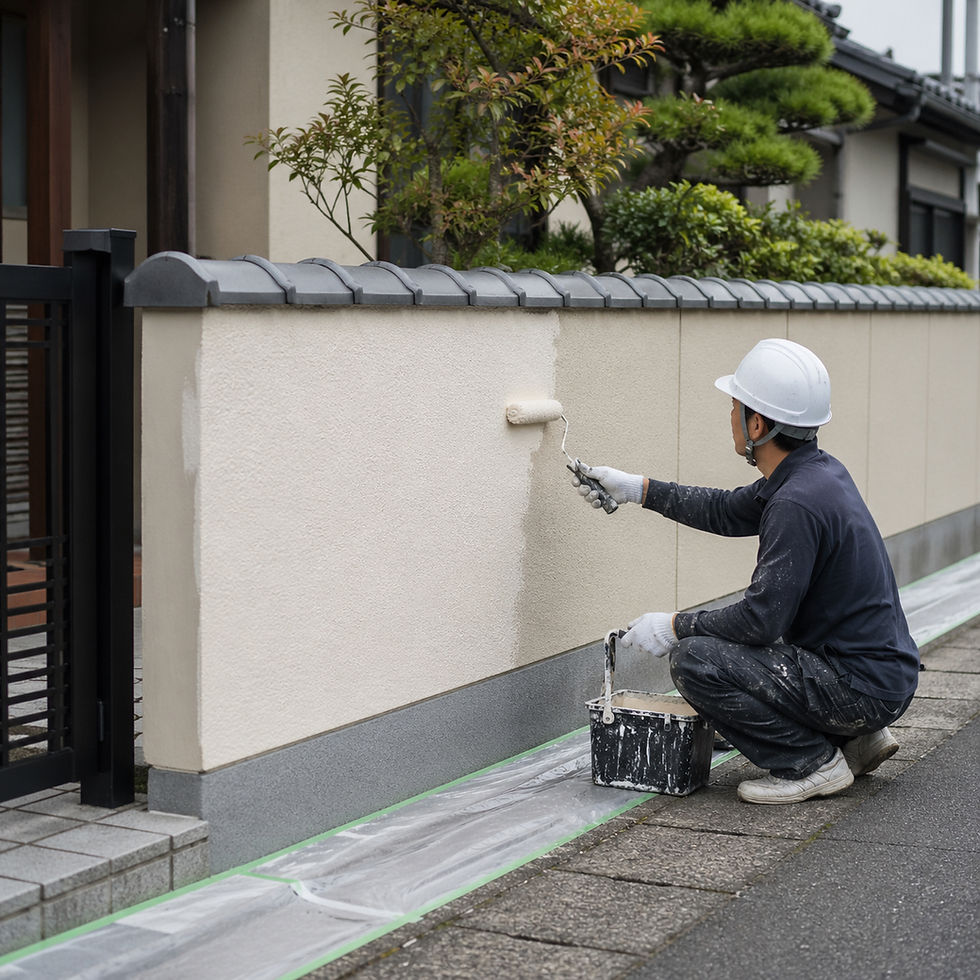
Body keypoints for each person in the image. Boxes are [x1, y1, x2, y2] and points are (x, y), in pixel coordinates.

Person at [572, 338, 919, 805]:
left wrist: (674, 626)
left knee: (696, 661)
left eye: (734, 406)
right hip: (878, 675)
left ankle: (812, 763)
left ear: (756, 423)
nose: (729, 416)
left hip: (860, 688)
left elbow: (761, 619)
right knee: (745, 647)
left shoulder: (795, 502)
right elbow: (726, 509)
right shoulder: (814, 473)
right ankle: (855, 738)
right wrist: (638, 489)